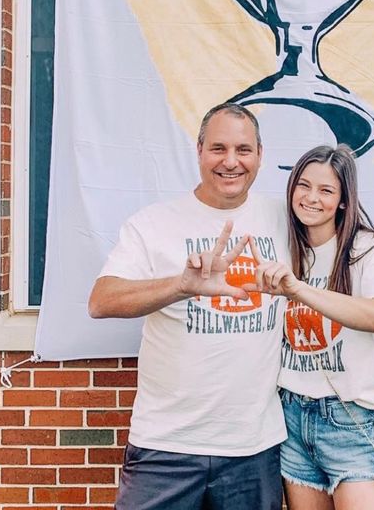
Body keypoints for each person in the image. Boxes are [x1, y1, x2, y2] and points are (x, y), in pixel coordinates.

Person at [88, 103, 288, 510]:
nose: (230, 162)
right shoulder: (154, 223)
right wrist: (181, 286)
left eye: (243, 150)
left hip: (253, 447)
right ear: (198, 151)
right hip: (165, 448)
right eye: (218, 148)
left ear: (261, 155)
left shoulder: (284, 220)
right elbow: (101, 300)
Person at [246, 144, 374, 510]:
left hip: (347, 419)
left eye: (326, 190)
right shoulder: (285, 248)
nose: (311, 198)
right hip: (290, 415)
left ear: (342, 200)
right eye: (303, 185)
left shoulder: (366, 249)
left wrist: (299, 289)